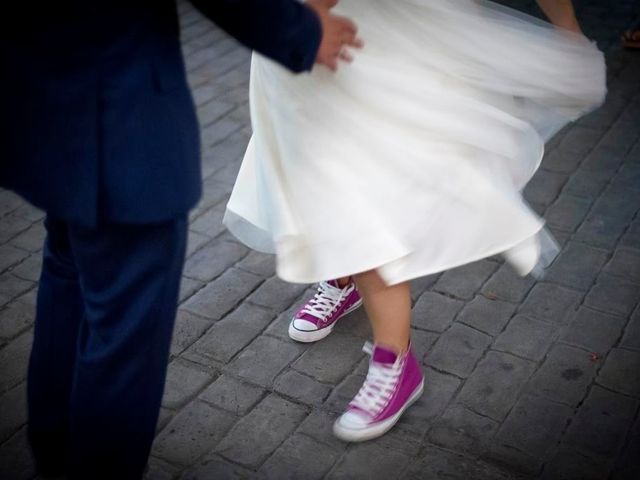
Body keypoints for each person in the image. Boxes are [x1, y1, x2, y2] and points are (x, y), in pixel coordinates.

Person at [0, 0, 359, 478]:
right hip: (118, 120)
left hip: (45, 98)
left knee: (68, 282)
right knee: (124, 327)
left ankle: (54, 452)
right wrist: (300, 31)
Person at [224, 0, 606, 442]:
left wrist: (566, 23)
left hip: (371, 37)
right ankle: (343, 277)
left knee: (361, 190)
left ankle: (395, 362)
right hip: (297, 42)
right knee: (313, 176)